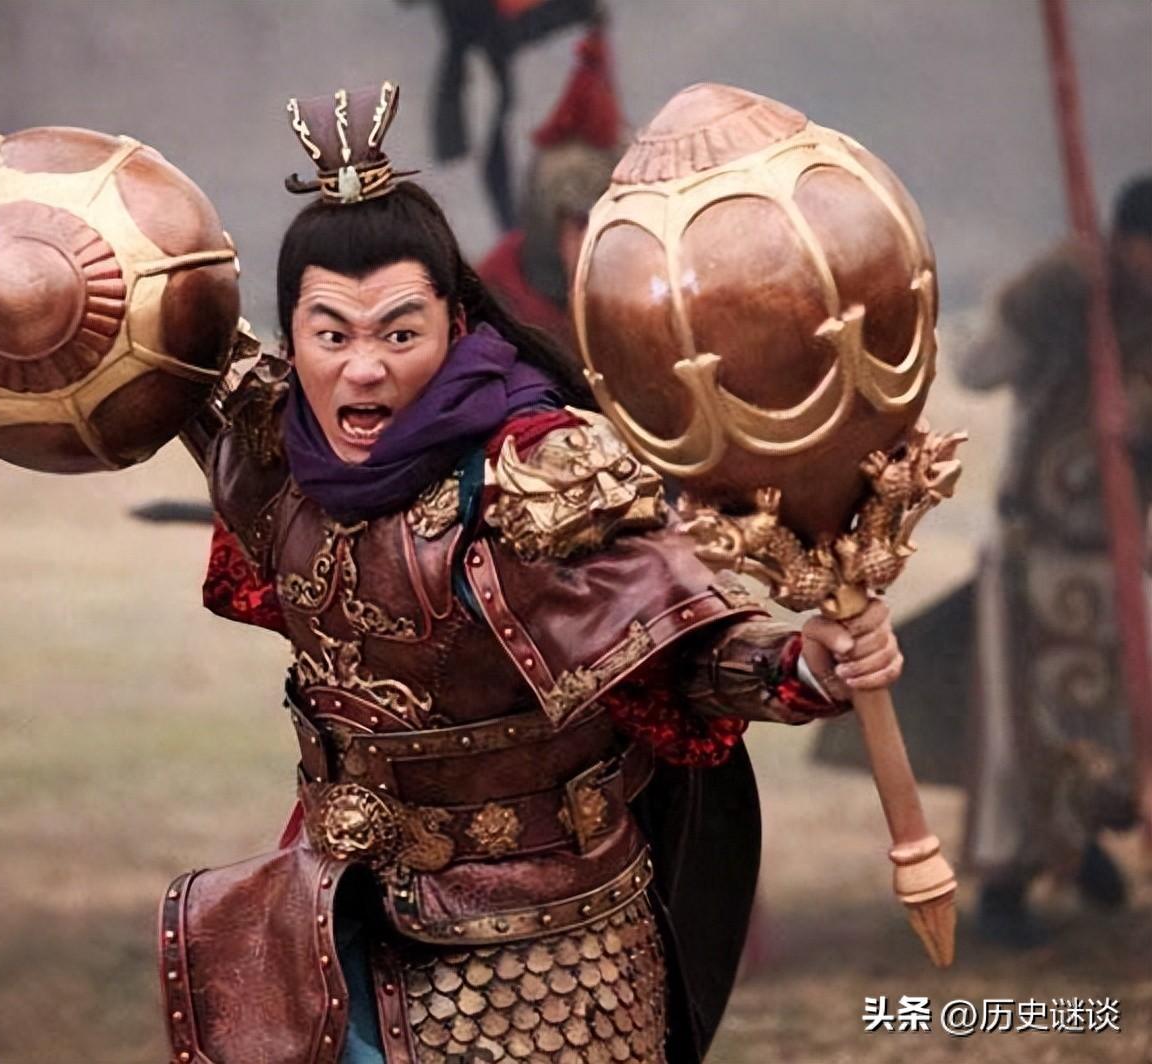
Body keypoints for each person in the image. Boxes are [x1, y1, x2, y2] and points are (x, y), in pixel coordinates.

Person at [164, 82, 903, 1064]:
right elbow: (155, 350)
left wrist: (802, 665)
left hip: (542, 947)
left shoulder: (535, 468)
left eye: (399, 332)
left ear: (454, 321)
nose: (363, 368)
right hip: (336, 916)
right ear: (293, 334)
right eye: (331, 334)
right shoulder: (274, 450)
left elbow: (678, 656)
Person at [956, 174, 1152, 947]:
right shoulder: (1069, 305)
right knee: (1022, 731)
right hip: (1033, 556)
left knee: (1114, 723)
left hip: (1122, 561)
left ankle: (1080, 839)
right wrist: (1037, 295)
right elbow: (977, 369)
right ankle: (1007, 886)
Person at [476, 26, 621, 363]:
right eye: (579, 224)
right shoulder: (496, 293)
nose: (585, 242)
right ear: (549, 222)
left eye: (599, 222)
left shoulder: (641, 289)